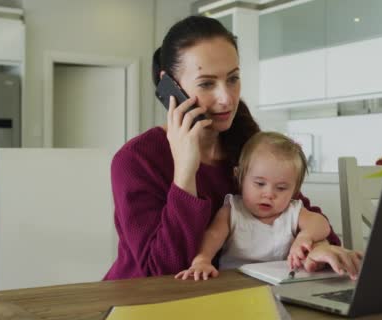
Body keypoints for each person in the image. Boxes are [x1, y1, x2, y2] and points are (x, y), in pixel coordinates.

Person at [103, 15, 362, 281]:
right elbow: (162, 272)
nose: (226, 98)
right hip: (142, 302)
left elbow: (296, 212)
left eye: (233, 79)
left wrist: (317, 247)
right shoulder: (135, 160)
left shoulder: (248, 141)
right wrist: (185, 173)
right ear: (170, 86)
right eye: (206, 83)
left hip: (229, 295)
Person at [175, 132, 333, 281]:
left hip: (280, 283)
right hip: (235, 283)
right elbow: (213, 235)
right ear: (240, 178)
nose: (269, 194)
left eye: (281, 188)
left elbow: (321, 224)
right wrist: (202, 260)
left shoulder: (292, 211)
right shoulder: (233, 210)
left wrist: (306, 236)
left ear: (295, 191)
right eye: (259, 184)